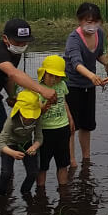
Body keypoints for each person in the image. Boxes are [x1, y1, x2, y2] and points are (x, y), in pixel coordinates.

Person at [0, 18, 57, 137]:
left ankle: (8, 156)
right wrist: (42, 90)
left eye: (25, 42)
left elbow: (8, 78)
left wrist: (12, 95)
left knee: (4, 134)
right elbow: (13, 73)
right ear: (5, 39)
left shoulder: (15, 53)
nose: (22, 45)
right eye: (18, 42)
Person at [64, 2, 108, 166]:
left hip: (89, 85)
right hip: (72, 85)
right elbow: (77, 63)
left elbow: (99, 54)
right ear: (80, 20)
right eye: (88, 21)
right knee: (71, 125)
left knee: (87, 124)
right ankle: (71, 159)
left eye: (95, 21)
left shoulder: (100, 33)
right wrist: (92, 76)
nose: (92, 25)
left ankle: (86, 157)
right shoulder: (73, 39)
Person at [34, 55, 74, 189]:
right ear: (43, 73)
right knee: (42, 166)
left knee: (63, 164)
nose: (54, 79)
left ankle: (63, 192)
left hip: (62, 128)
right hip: (45, 131)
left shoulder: (62, 85)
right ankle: (41, 192)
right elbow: (36, 113)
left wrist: (70, 117)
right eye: (51, 76)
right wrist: (45, 107)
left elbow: (64, 102)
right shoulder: (38, 89)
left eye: (57, 76)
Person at [0, 90, 45, 197]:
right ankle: (1, 196)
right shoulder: (12, 120)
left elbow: (39, 138)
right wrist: (12, 153)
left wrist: (34, 147)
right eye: (27, 115)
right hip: (10, 145)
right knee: (6, 173)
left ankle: (25, 193)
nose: (29, 119)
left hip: (26, 144)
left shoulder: (37, 118)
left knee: (33, 172)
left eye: (32, 116)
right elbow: (1, 143)